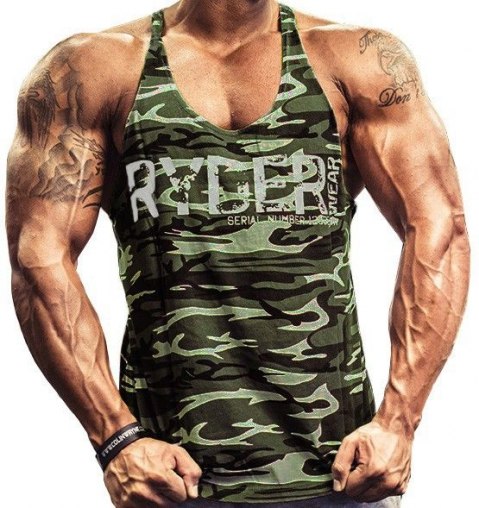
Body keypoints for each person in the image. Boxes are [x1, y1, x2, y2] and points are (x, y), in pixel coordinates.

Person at [5, 0, 470, 507]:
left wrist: (399, 421)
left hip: (342, 471)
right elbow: (39, 257)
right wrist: (115, 437)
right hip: (172, 477)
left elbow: (439, 230)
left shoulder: (357, 61)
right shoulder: (95, 69)